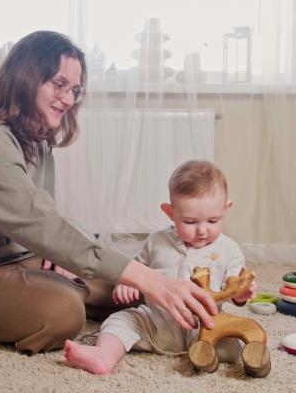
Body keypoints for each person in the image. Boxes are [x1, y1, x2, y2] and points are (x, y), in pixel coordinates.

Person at [0, 31, 217, 356]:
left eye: (75, 90)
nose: (68, 98)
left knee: (126, 290)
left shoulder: (35, 138)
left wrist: (74, 259)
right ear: (26, 78)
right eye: (59, 84)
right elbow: (40, 224)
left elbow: (47, 218)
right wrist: (150, 280)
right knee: (64, 311)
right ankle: (47, 297)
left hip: (11, 259)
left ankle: (55, 289)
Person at [64, 160, 255, 374]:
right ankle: (104, 355)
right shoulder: (157, 241)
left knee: (235, 339)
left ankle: (212, 355)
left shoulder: (229, 250)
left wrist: (242, 295)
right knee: (121, 320)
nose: (202, 230)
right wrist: (125, 283)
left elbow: (234, 288)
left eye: (212, 221)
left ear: (226, 208)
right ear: (170, 212)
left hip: (205, 329)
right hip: (156, 324)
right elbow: (135, 268)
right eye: (190, 222)